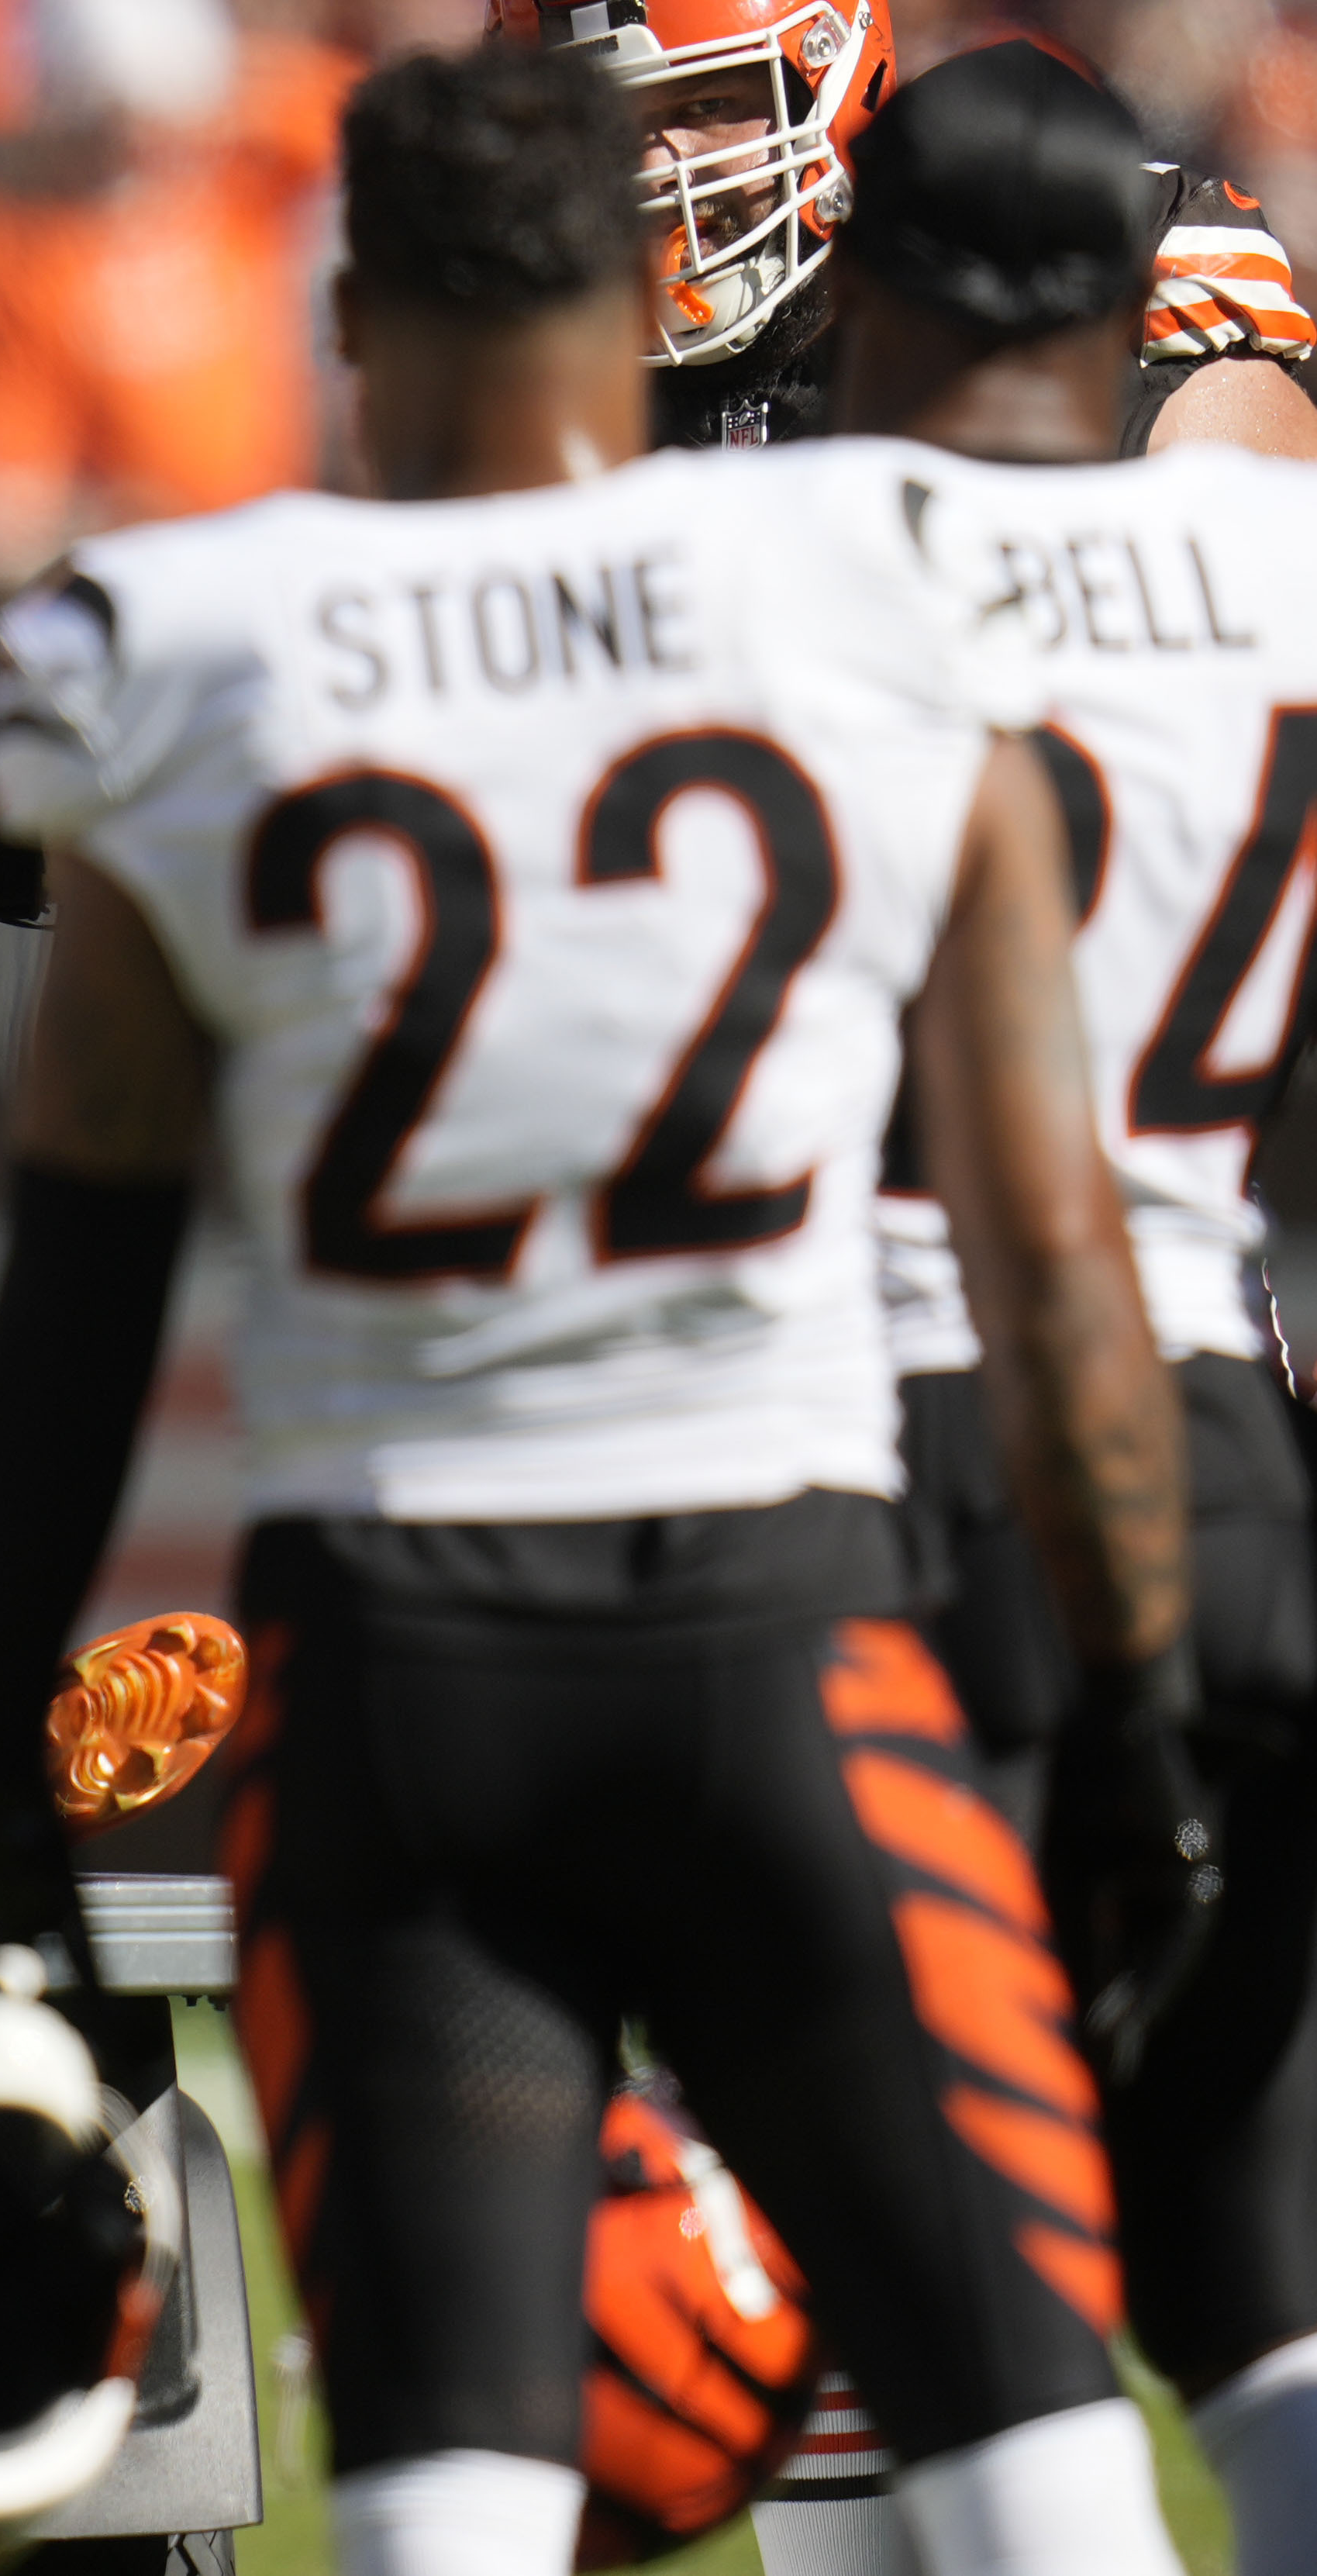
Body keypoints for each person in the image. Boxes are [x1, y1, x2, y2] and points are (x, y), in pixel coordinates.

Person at [0, 42, 1201, 2571]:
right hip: (797, 1605)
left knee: (448, 2473)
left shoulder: (201, 635)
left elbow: (82, 1302)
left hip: (402, 1663)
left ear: (342, 313)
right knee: (1033, 2438)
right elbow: (1048, 1231)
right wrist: (1133, 1691)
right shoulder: (878, 577)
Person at [728, 48, 1317, 2576]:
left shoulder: (827, 553)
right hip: (1205, 1406)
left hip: (890, 1424)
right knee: (1243, 2249)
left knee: (896, 2263)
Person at [486, 0, 1317, 459]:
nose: (654, 169)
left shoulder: (1074, 258)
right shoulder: (499, 347)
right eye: (599, 117)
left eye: (705, 106)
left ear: (834, 76)